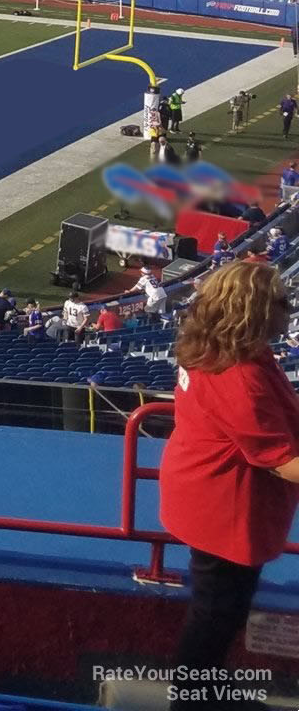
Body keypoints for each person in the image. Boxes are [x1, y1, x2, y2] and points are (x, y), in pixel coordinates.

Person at [160, 260, 299, 673]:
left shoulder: (228, 350)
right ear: (254, 310)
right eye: (281, 302)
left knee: (219, 609)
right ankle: (192, 700)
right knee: (216, 615)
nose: (289, 309)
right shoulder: (237, 374)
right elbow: (279, 460)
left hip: (210, 495)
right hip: (223, 508)